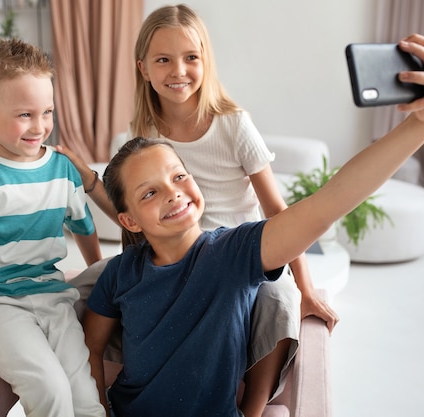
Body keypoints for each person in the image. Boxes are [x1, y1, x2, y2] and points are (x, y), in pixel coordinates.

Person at [84, 31, 424, 414]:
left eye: (179, 177)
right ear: (128, 219)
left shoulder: (231, 253)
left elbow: (327, 204)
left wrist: (421, 126)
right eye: (149, 193)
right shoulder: (121, 272)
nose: (173, 193)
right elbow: (91, 350)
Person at [57, 4, 327, 415]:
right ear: (143, 69)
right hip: (168, 248)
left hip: (233, 256)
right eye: (163, 60)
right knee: (83, 290)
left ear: (205, 61)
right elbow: (133, 216)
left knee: (279, 296)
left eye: (190, 58)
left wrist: (306, 289)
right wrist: (90, 181)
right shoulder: (144, 133)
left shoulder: (233, 124)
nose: (178, 70)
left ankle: (252, 405)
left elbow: (277, 210)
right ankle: (102, 387)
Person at [0, 39, 106, 417]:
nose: (40, 126)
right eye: (24, 115)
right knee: (50, 390)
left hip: (53, 296)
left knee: (86, 397)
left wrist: (100, 278)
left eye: (47, 112)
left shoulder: (62, 169)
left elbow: (84, 226)